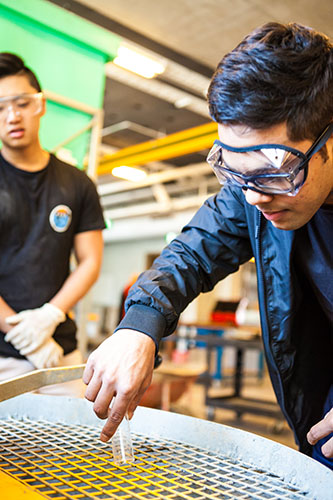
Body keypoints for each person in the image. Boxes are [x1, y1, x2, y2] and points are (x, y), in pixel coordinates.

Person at [83, 22, 333, 469]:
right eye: (237, 173)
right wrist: (140, 323)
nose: (255, 197)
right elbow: (194, 251)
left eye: (274, 173)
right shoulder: (253, 194)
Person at [0, 52, 105, 396]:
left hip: (60, 352)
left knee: (66, 449)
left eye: (20, 103)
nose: (12, 116)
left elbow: (90, 260)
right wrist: (22, 335)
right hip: (2, 356)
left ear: (40, 105)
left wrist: (50, 314)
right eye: (0, 108)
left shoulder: (77, 183)